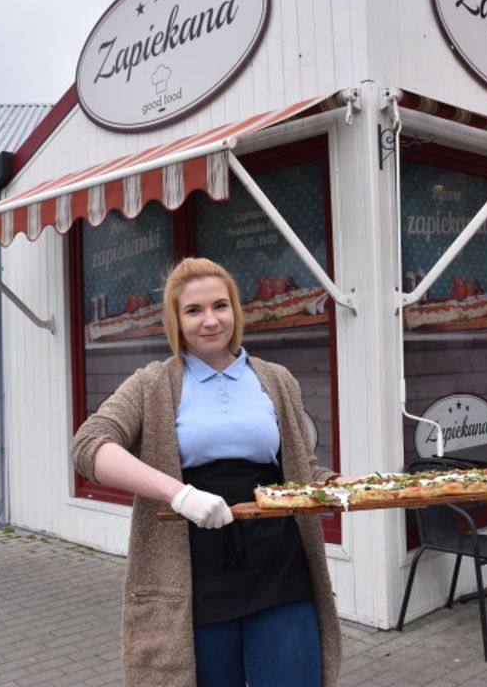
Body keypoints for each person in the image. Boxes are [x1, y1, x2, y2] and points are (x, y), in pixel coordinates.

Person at [73, 257, 341, 687]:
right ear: (176, 321)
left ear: (236, 310)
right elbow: (89, 446)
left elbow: (299, 466)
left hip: (280, 564)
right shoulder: (152, 384)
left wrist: (334, 485)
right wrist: (180, 495)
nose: (210, 321)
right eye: (193, 310)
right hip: (195, 575)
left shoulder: (277, 379)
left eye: (221, 305)